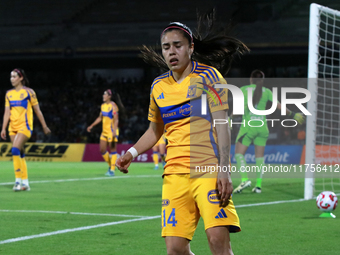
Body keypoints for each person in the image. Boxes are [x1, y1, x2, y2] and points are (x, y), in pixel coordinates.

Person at [116, 12, 249, 255]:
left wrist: (224, 169)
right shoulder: (158, 86)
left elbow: (222, 124)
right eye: (166, 47)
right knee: (175, 249)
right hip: (175, 173)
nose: (171, 52)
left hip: (207, 168)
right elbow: (155, 130)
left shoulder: (209, 77)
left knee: (218, 242)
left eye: (178, 45)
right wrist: (131, 153)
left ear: (190, 48)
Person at [232, 70, 305, 194]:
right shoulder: (267, 92)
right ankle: (258, 186)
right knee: (259, 157)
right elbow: (280, 106)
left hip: (249, 126)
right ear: (262, 80)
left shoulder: (244, 89)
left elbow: (238, 107)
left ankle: (245, 180)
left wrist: (230, 118)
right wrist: (293, 114)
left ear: (251, 79)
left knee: (238, 154)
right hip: (263, 128)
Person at [1, 68, 51, 191]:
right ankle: (25, 183)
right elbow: (7, 113)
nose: (11, 79)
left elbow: (37, 110)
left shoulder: (29, 92)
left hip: (25, 127)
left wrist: (44, 126)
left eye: (14, 77)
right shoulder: (9, 94)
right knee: (20, 153)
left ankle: (17, 181)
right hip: (12, 128)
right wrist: (3, 128)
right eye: (10, 77)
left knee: (14, 150)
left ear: (21, 78)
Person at [87, 89, 120, 176]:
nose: (103, 96)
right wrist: (92, 125)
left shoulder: (113, 106)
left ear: (109, 96)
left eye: (105, 94)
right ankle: (111, 165)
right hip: (104, 132)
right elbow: (100, 118)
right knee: (102, 150)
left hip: (112, 131)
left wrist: (114, 132)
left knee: (113, 150)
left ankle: (112, 170)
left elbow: (116, 120)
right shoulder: (103, 106)